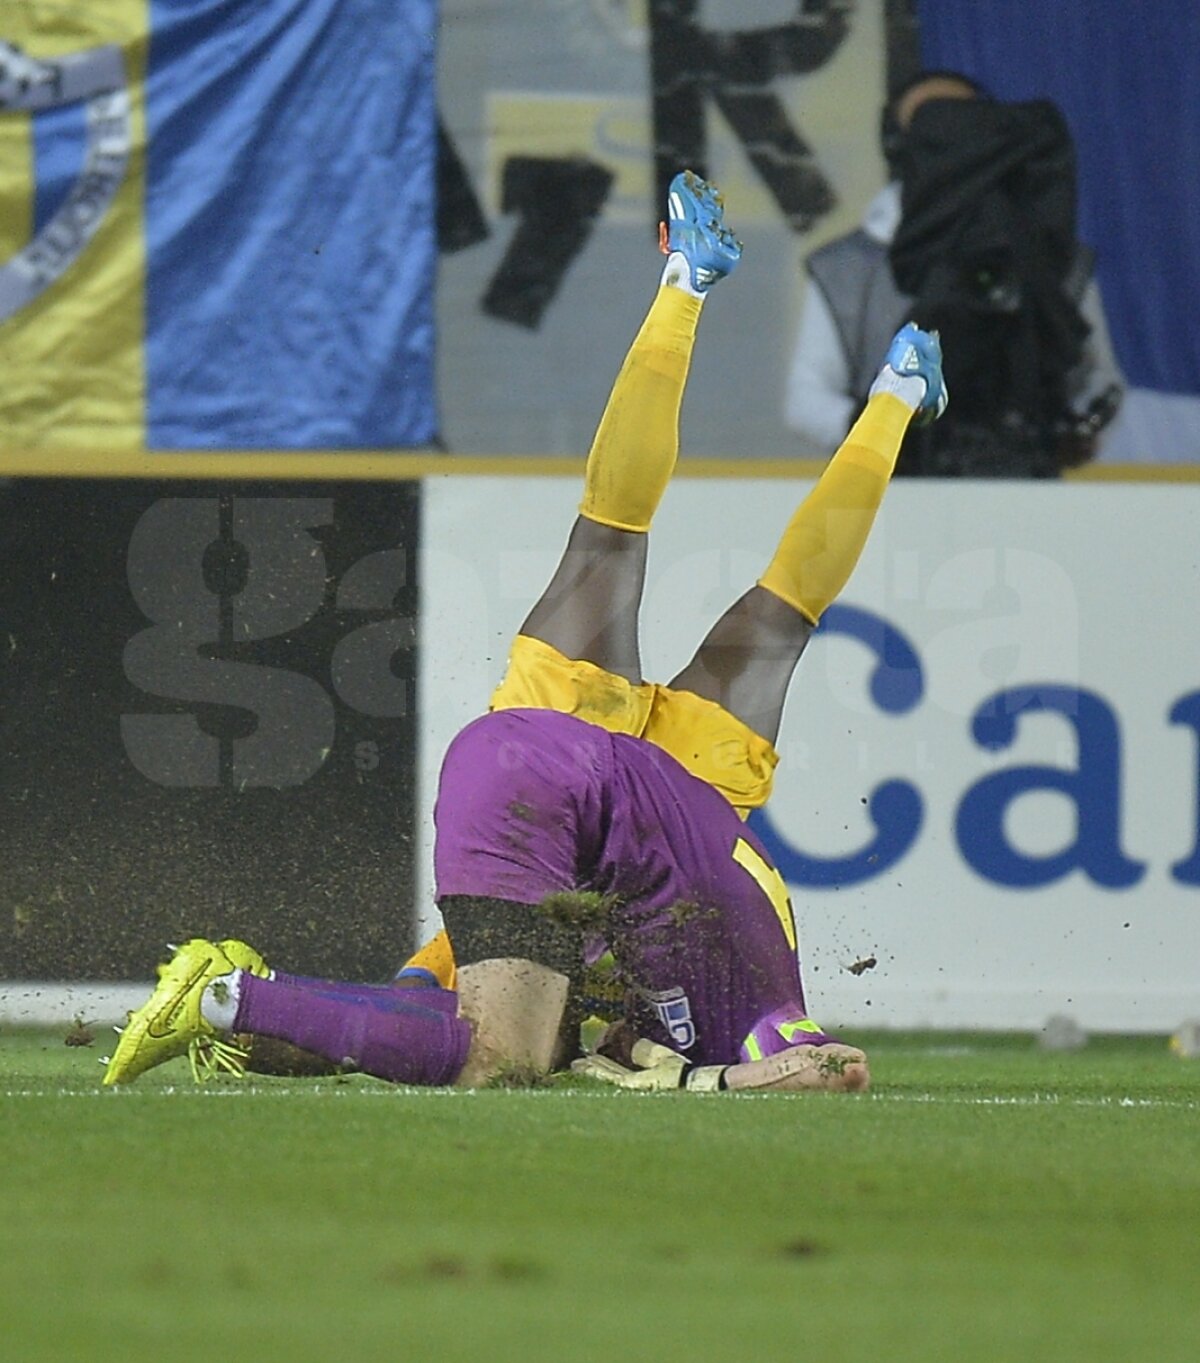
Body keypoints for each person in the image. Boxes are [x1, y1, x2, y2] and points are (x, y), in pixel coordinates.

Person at [102, 171, 946, 1094]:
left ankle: (862, 375)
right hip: (672, 818)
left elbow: (419, 1009)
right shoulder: (572, 968)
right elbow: (425, 1011)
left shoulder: (525, 954)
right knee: (703, 574)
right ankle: (867, 381)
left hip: (657, 810)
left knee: (697, 571)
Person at [784, 70, 1122, 476]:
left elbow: (1098, 381)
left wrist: (1068, 429)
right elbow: (806, 398)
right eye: (935, 125)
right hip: (889, 491)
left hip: (1024, 487)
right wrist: (885, 434)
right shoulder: (849, 266)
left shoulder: (1049, 257)